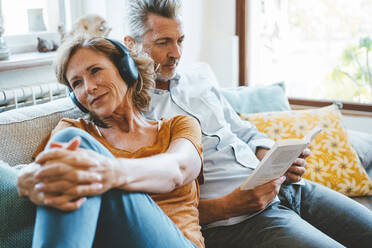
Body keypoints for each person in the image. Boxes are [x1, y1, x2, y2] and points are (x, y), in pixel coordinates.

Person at [122, 0, 372, 248]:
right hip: (241, 219)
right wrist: (230, 205)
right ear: (130, 44)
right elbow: (153, 206)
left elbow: (241, 129)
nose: (176, 53)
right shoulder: (132, 113)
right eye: (163, 42)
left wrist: (270, 157)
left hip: (286, 188)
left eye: (180, 40)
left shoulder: (197, 81)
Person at [16, 36, 205, 248]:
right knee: (72, 142)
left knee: (81, 158)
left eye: (95, 70)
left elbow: (178, 169)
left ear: (126, 69)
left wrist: (111, 172)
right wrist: (25, 177)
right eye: (77, 83)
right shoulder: (74, 130)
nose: (88, 87)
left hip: (176, 242)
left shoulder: (179, 125)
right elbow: (45, 174)